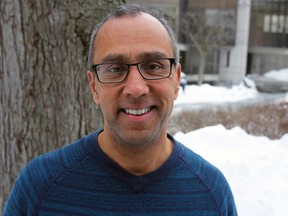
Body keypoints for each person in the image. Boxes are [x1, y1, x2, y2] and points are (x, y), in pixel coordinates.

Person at [3, 4, 237, 216]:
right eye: (115, 69)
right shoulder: (40, 187)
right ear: (94, 86)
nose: (136, 88)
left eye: (153, 66)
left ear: (176, 80)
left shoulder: (211, 194)